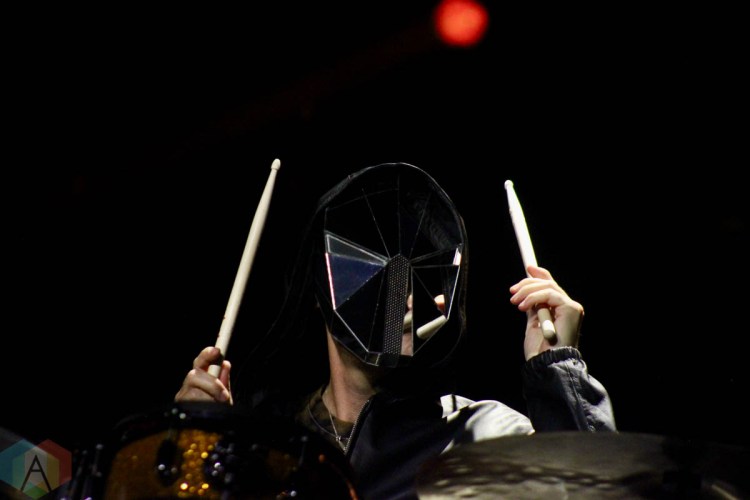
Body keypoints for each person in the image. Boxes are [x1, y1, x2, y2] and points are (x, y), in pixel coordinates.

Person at [175, 162, 616, 499]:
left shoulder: (482, 437)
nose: (403, 296)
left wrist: (558, 371)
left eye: (422, 273)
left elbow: (599, 492)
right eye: (375, 269)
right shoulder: (266, 448)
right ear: (321, 290)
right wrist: (192, 453)